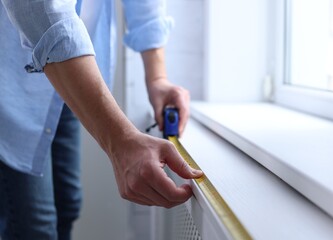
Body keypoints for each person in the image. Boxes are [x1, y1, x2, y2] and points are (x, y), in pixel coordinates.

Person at [0, 0, 203, 239]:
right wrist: (121, 141)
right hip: (10, 83)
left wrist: (157, 78)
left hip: (72, 76)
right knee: (34, 224)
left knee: (67, 205)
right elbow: (40, 9)